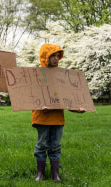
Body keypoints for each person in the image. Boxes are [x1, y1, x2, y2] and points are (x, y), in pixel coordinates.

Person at [33, 43, 86, 182]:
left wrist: (77, 108)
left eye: (58, 56)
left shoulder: (61, 76)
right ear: (45, 56)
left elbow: (67, 97)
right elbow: (31, 96)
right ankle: (40, 173)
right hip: (42, 117)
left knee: (55, 145)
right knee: (42, 144)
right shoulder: (35, 75)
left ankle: (55, 174)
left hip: (57, 118)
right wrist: (40, 106)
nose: (56, 58)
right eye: (53, 55)